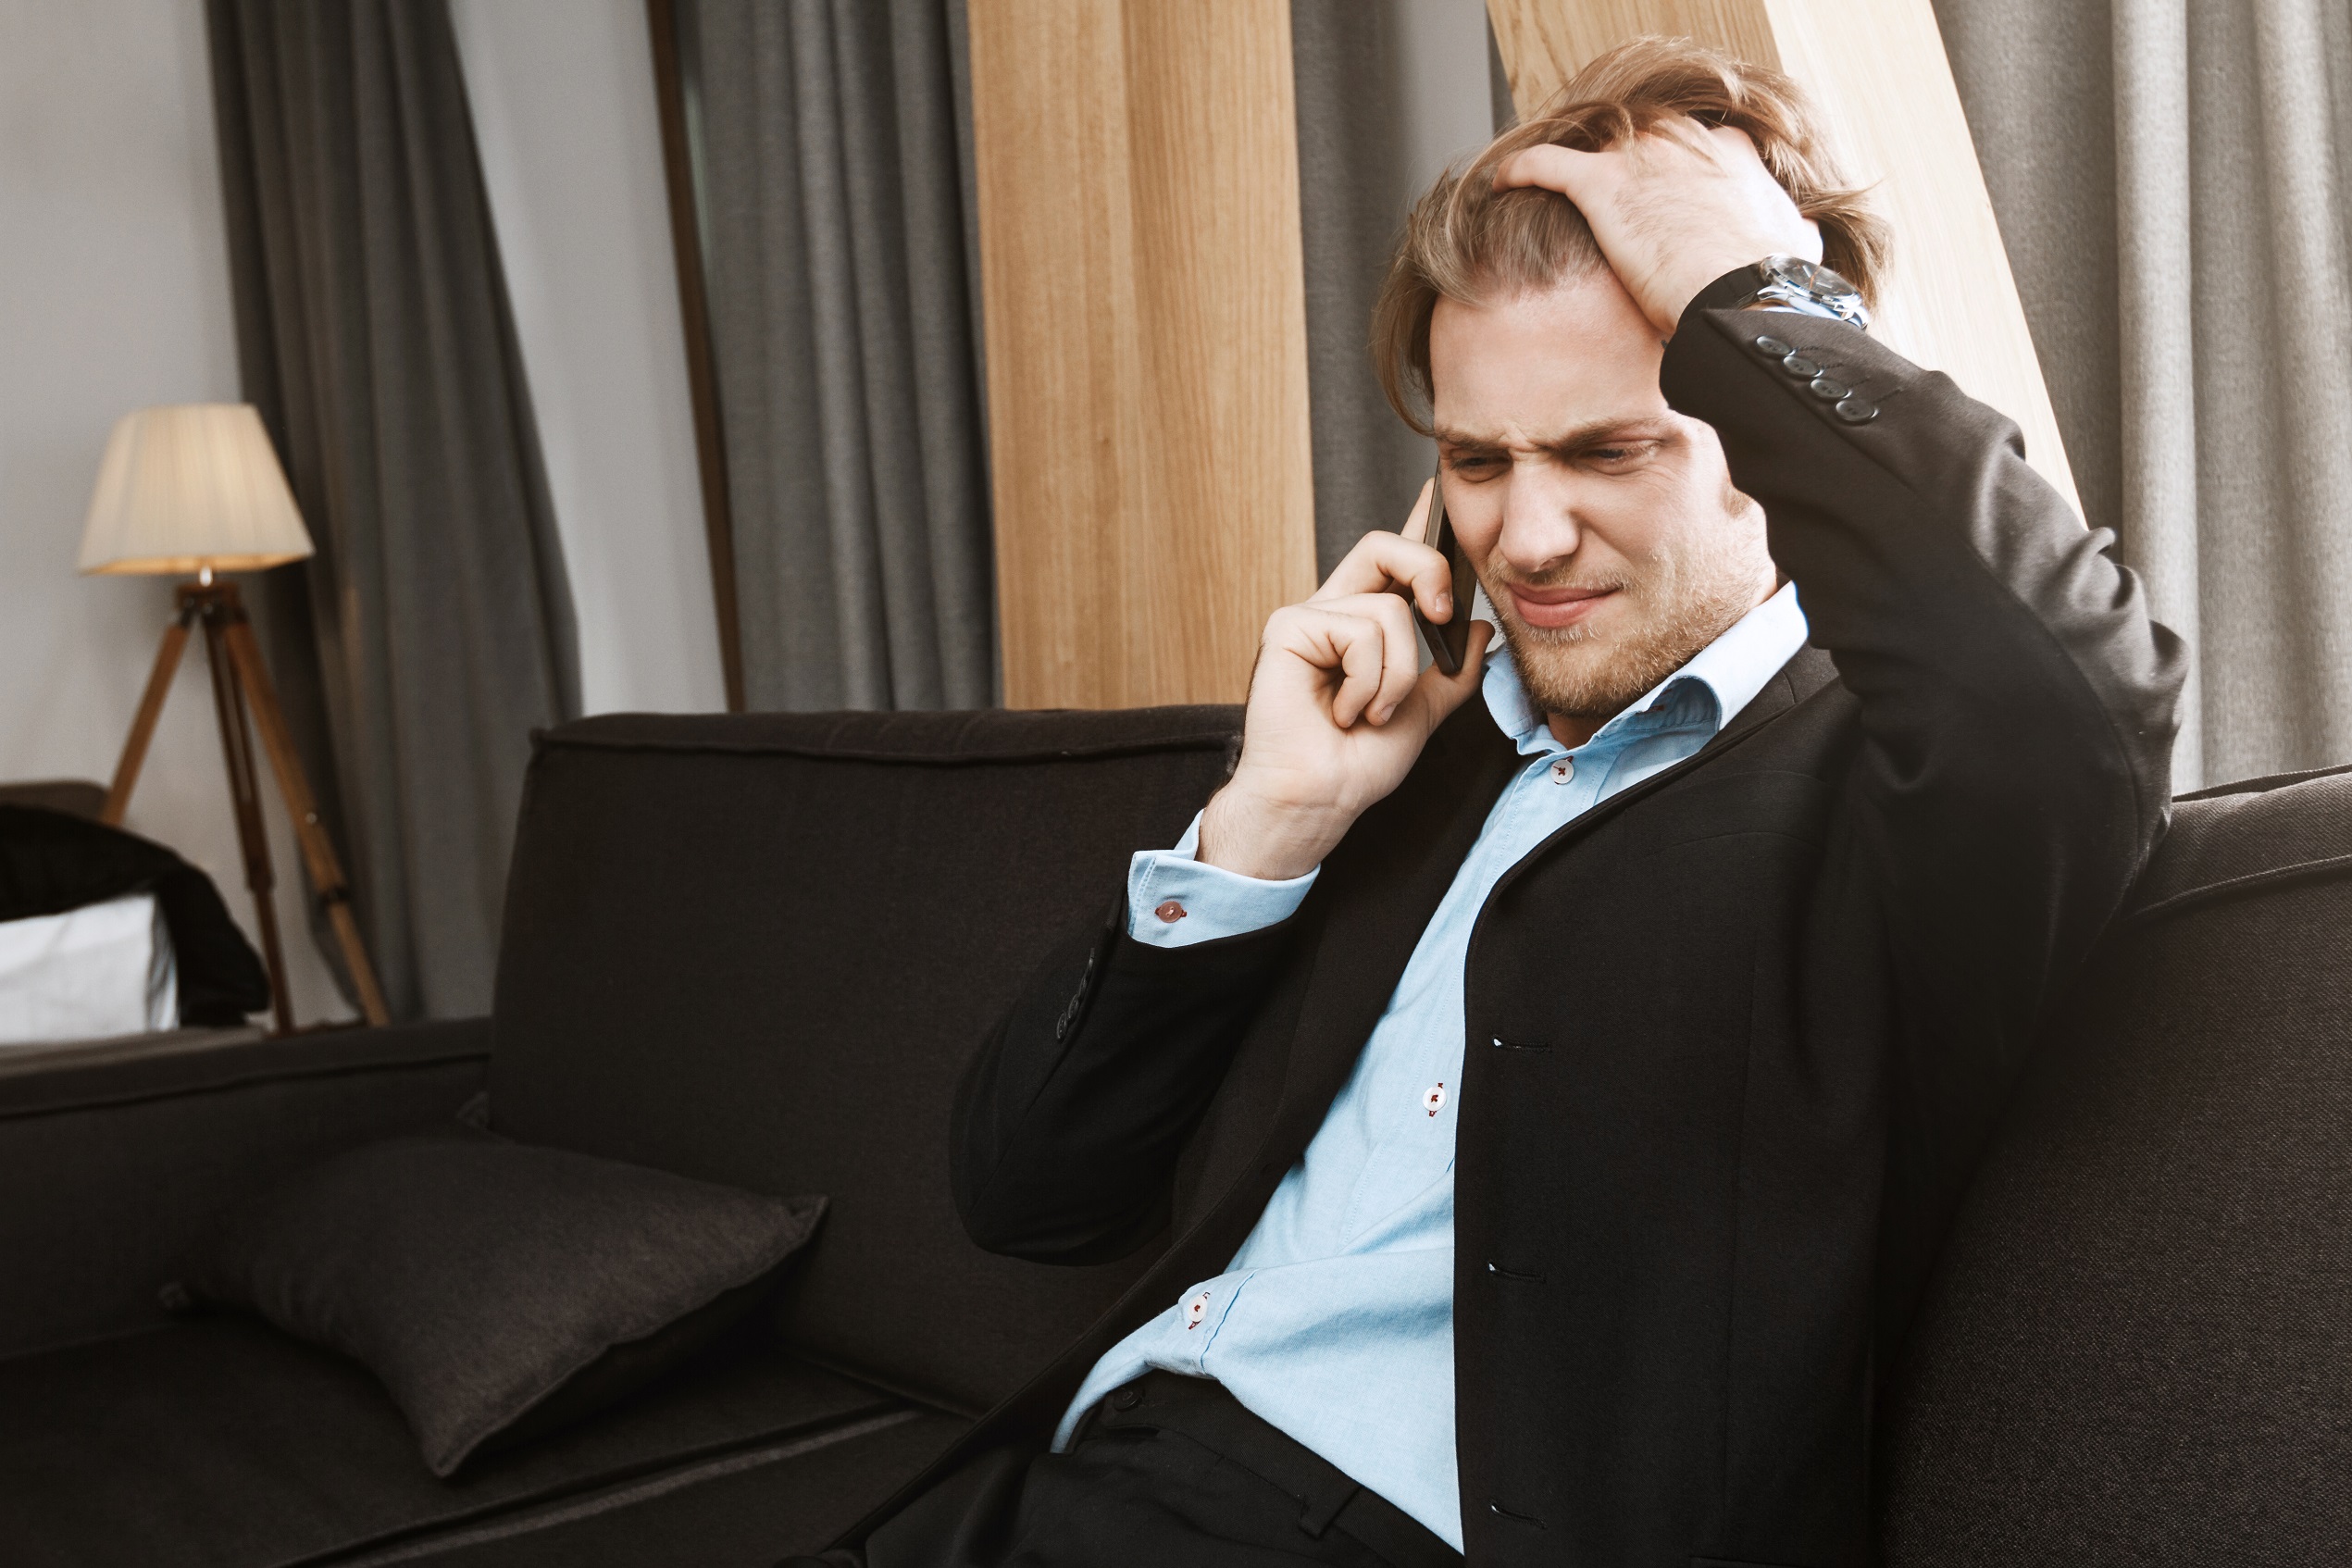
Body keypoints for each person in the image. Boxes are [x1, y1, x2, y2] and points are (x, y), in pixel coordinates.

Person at [808, 36, 2184, 1568]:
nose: (1525, 537)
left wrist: (1756, 295)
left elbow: (2079, 696)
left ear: (1769, 444)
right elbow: (1026, 1191)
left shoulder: (1886, 800)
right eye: (1476, 460)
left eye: (1608, 450)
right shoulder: (1406, 756)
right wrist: (1268, 822)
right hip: (1059, 1485)